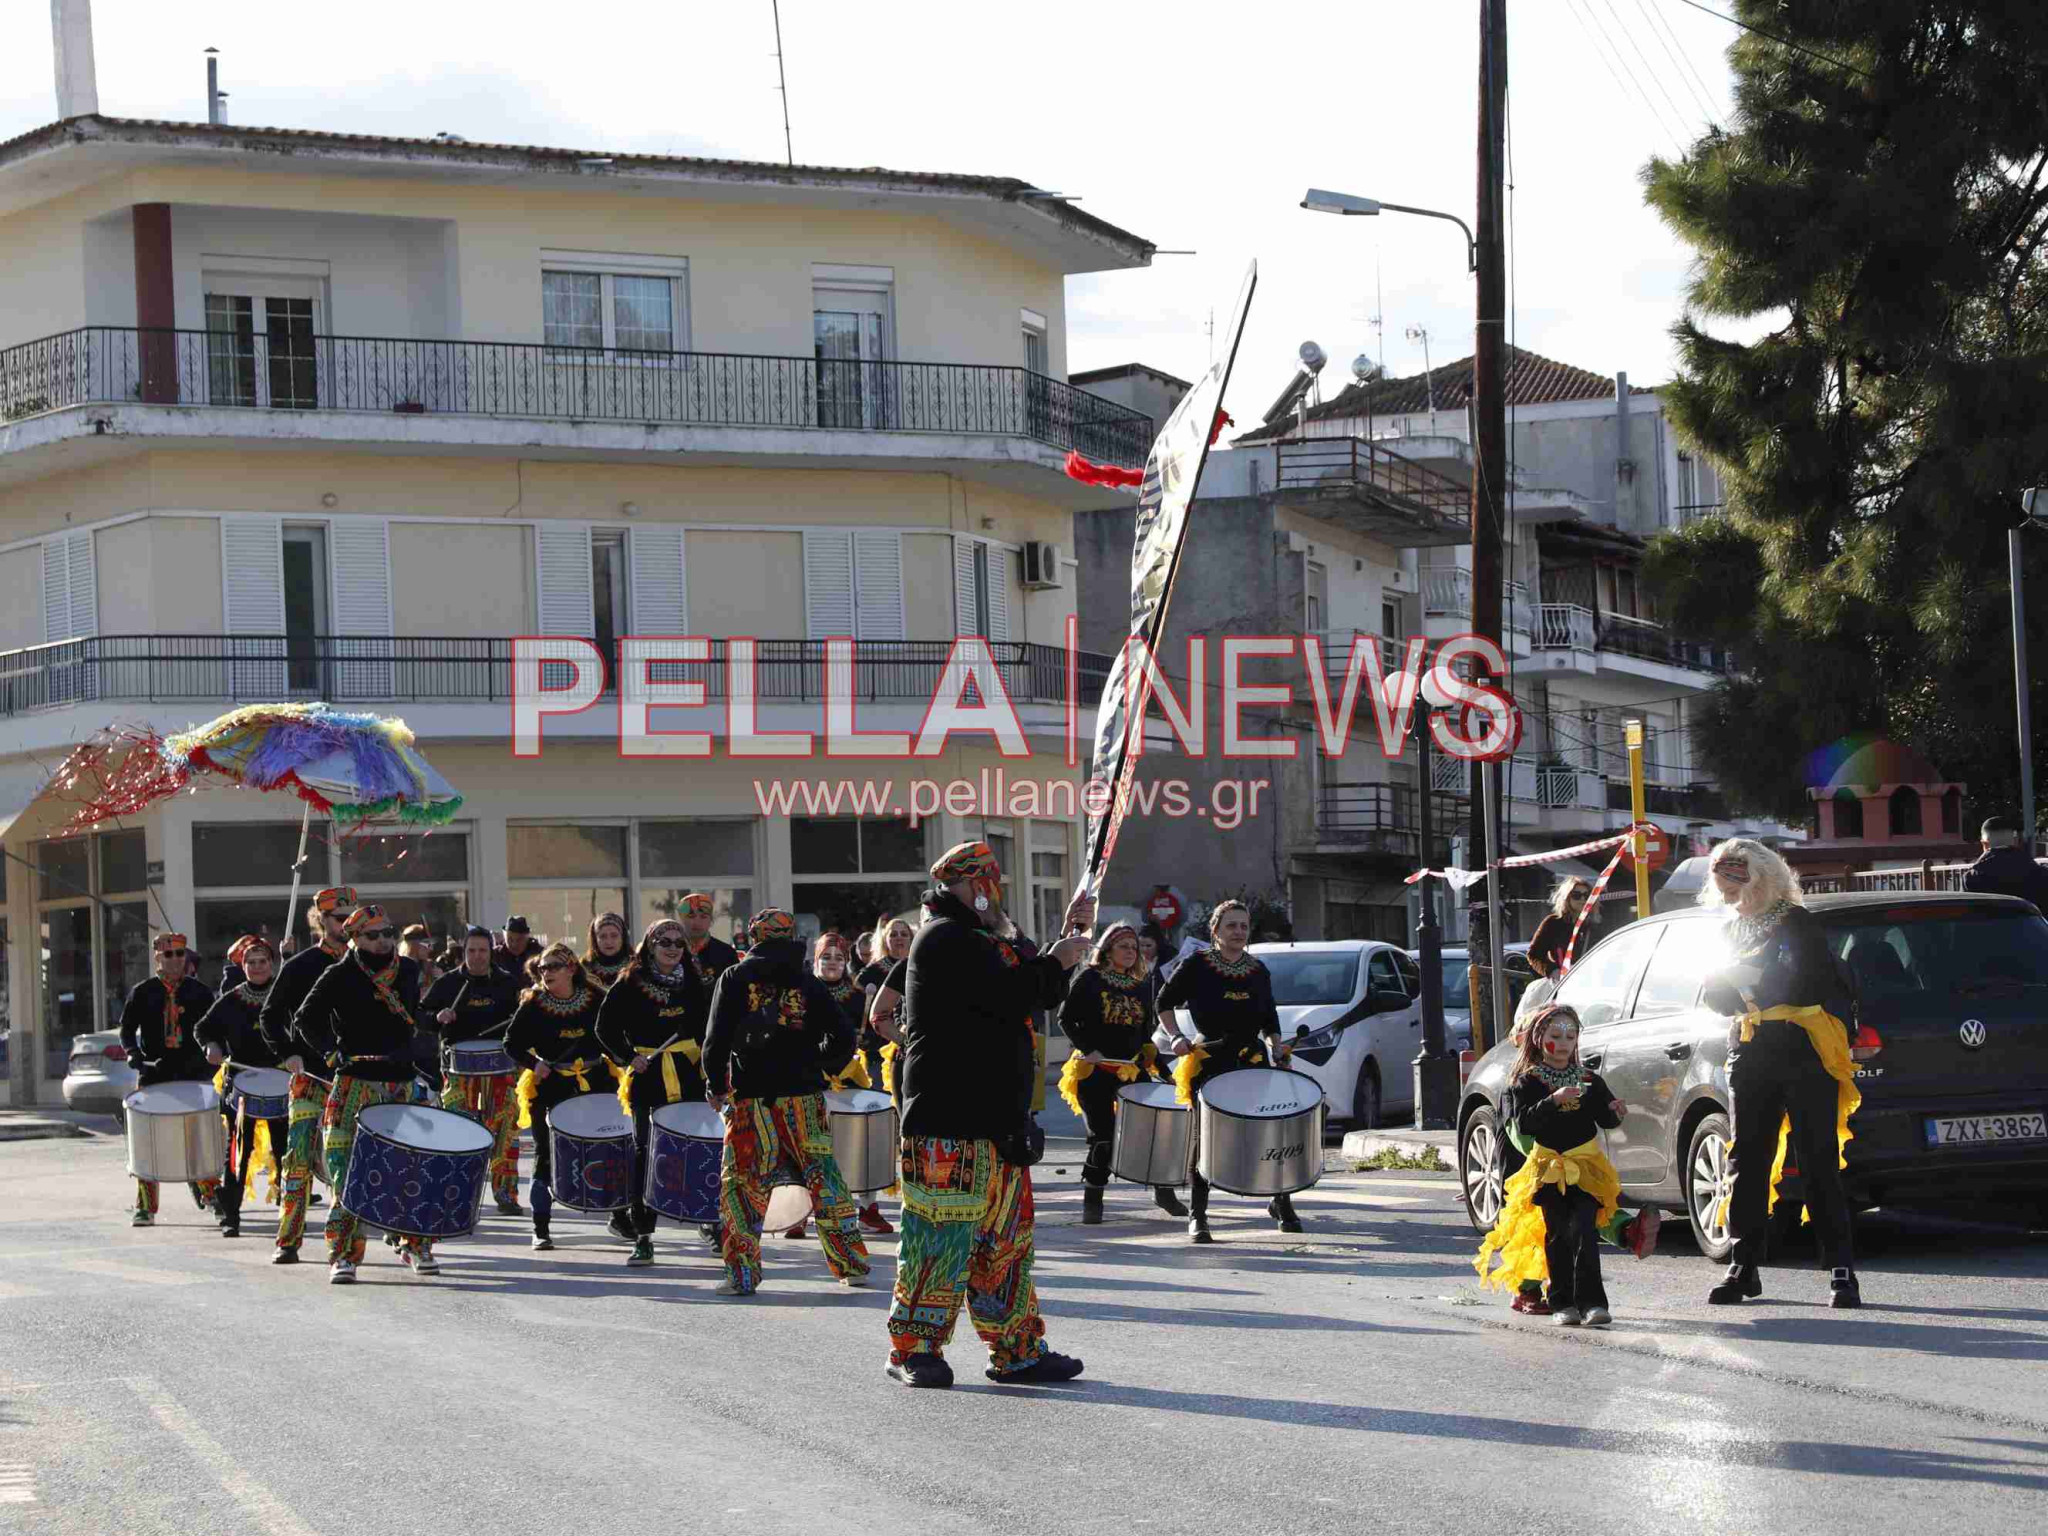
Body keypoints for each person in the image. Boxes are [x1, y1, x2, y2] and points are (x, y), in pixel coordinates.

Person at [884, 842, 1091, 1389]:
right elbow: (1012, 991)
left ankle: (1017, 1351)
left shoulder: (988, 937)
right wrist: (1056, 960)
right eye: (986, 884)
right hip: (947, 1119)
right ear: (972, 887)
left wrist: (1066, 939)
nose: (994, 893)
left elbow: (1039, 986)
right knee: (938, 1242)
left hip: (999, 1119)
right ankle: (914, 1350)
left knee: (1005, 1244)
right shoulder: (943, 938)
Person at [1698, 838, 1862, 1309]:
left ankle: (1840, 1269)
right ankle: (1743, 1264)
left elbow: (1812, 981)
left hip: (1803, 1048)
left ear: (1761, 879)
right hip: (1751, 1048)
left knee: (1817, 1159)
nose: (1728, 895)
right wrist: (1730, 990)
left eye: (1735, 885)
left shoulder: (1797, 921)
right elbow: (1713, 994)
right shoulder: (1730, 930)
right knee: (1746, 1159)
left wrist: (1757, 984)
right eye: (1722, 886)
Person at [700, 909, 871, 1297]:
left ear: (754, 937)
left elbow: (716, 1040)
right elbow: (844, 1037)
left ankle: (741, 1276)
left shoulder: (735, 977)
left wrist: (716, 1085)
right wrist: (818, 1064)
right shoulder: (807, 980)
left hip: (751, 1100)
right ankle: (852, 1266)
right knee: (825, 1179)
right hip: (804, 1099)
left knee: (742, 1186)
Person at [289, 904, 438, 1284]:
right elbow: (305, 1019)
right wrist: (329, 1052)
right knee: (346, 1173)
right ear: (354, 938)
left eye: (388, 932)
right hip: (353, 1084)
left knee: (411, 1169)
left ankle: (415, 1245)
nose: (383, 940)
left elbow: (414, 1018)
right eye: (373, 935)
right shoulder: (338, 974)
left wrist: (428, 1041)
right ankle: (343, 1255)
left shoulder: (409, 970)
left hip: (401, 1083)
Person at [1473, 1004, 1628, 1327]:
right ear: (1539, 1039)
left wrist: (1616, 1112)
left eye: (1571, 1036)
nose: (1564, 1043)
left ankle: (1593, 1304)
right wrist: (1553, 1100)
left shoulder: (1589, 1080)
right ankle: (1562, 1303)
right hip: (1547, 1170)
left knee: (1585, 1231)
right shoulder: (1525, 1082)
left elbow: (1604, 1118)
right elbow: (1524, 1123)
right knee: (1558, 1234)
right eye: (1556, 1035)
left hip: (1585, 1169)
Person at [1155, 899, 1296, 1242]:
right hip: (1210, 1059)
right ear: (1215, 930)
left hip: (1252, 1059)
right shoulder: (1196, 964)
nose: (1238, 932)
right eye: (1231, 925)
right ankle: (1198, 1215)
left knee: (1268, 1131)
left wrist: (1276, 1045)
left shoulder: (1258, 970)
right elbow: (1163, 1002)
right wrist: (1176, 1037)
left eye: (1244, 926)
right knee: (1204, 1137)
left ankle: (1281, 1202)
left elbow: (1270, 1017)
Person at [596, 918, 707, 1266]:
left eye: (678, 942)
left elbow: (710, 1028)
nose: (673, 948)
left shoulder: (695, 983)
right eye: (665, 942)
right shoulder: (629, 982)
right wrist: (629, 1057)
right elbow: (604, 1027)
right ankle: (643, 1236)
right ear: (650, 946)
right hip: (647, 1078)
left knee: (698, 1149)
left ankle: (708, 1220)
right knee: (645, 1154)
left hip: (689, 1076)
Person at [1058, 922, 1182, 1224]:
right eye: (1123, 946)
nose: (1130, 952)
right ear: (1107, 950)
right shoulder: (1089, 978)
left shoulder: (1140, 985)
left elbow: (1144, 1037)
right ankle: (1093, 1199)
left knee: (1153, 1131)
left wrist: (1165, 1072)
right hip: (1095, 1071)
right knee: (1103, 1137)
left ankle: (1163, 1191)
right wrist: (1088, 1049)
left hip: (1131, 1070)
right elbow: (1065, 1019)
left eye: (1134, 948)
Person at [257, 888, 356, 1264]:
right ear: (321, 921)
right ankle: (288, 1239)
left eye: (351, 918)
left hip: (354, 1078)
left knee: (345, 1162)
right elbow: (270, 1016)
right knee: (297, 1158)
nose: (346, 925)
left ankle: (344, 1242)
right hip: (310, 1076)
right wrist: (287, 1052)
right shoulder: (300, 965)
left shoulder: (368, 964)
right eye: (339, 919)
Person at [503, 941, 615, 1252]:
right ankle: (540, 1228)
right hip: (551, 1086)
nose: (546, 972)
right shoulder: (533, 1003)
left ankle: (620, 1216)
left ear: (570, 968)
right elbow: (511, 1043)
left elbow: (614, 1033)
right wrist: (534, 1064)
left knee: (608, 1147)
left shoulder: (596, 998)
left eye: (553, 966)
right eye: (542, 967)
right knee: (545, 1154)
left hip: (595, 1083)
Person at [120, 931, 220, 1227]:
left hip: (193, 1074)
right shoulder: (143, 991)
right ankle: (145, 1206)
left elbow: (214, 1028)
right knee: (147, 1141)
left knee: (200, 1138)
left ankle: (212, 1195)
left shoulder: (200, 992)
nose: (176, 960)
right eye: (169, 955)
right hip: (155, 1072)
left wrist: (213, 1049)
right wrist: (132, 1053)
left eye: (180, 954)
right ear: (157, 958)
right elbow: (126, 1029)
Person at [424, 926, 525, 1216]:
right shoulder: (447, 983)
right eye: (471, 951)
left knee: (506, 1128)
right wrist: (437, 1017)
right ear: (464, 952)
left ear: (491, 952)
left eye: (482, 950)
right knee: (460, 1130)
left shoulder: (507, 983)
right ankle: (458, 1194)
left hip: (501, 1070)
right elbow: (420, 1016)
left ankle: (506, 1193)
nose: (477, 956)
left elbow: (523, 1021)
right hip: (458, 1072)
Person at [806, 931, 893, 1238]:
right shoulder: (802, 992)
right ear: (816, 960)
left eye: (839, 958)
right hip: (811, 1077)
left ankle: (868, 1209)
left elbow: (876, 1031)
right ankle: (802, 1210)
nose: (832, 962)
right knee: (811, 1146)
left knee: (862, 1141)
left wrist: (866, 1041)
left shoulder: (858, 996)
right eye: (826, 957)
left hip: (849, 1076)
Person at [196, 935, 283, 1240]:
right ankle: (231, 1215)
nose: (257, 967)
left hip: (281, 1080)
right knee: (237, 1152)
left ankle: (290, 1214)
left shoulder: (284, 994)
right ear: (243, 966)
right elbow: (203, 1028)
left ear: (272, 963)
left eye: (263, 961)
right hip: (240, 1085)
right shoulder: (231, 999)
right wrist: (211, 1045)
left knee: (286, 1151)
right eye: (251, 962)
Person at [858, 918, 913, 1095]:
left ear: (912, 938)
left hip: (909, 1046)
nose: (899, 938)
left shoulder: (918, 967)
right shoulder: (871, 972)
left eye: (904, 934)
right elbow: (861, 1007)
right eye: (893, 934)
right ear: (885, 939)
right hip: (879, 1048)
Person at [1961, 817, 2048, 911]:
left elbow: (1966, 913)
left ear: (1984, 844)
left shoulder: (1971, 878)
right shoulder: (2041, 873)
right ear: (2015, 841)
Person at [1527, 877, 1599, 979]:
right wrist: (1552, 971)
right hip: (1563, 982)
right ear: (1567, 898)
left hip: (1591, 981)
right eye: (1576, 895)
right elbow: (1534, 955)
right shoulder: (1553, 923)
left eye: (1587, 895)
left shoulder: (1595, 925)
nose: (1583, 899)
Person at [582, 910, 632, 991]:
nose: (609, 942)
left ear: (623, 937)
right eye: (602, 936)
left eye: (614, 935)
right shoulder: (584, 969)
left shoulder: (636, 967)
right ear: (595, 940)